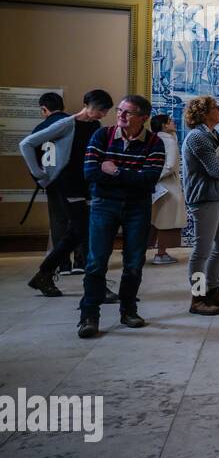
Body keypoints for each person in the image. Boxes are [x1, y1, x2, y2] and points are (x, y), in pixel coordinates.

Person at [78, 95, 165, 338]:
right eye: (120, 111)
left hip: (137, 207)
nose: (121, 115)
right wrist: (129, 175)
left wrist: (115, 170)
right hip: (104, 205)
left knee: (134, 262)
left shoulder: (154, 143)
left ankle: (128, 310)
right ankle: (89, 315)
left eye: (128, 112)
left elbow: (149, 179)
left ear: (143, 118)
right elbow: (91, 172)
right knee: (96, 261)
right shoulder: (102, 136)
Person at [18, 90, 115, 298]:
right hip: (68, 185)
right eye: (100, 109)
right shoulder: (66, 123)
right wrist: (40, 175)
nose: (103, 114)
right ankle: (97, 286)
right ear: (87, 105)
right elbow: (26, 144)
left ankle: (44, 274)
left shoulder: (96, 126)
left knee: (75, 234)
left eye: (105, 111)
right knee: (88, 234)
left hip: (86, 184)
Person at [182, 95, 219, 316]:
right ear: (204, 112)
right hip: (204, 197)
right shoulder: (198, 137)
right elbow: (218, 170)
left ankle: (212, 288)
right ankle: (197, 298)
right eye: (216, 107)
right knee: (201, 251)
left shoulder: (213, 135)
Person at [30, 92, 72, 272]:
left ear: (44, 109)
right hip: (74, 179)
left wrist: (39, 178)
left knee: (58, 222)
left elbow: (32, 154)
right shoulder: (74, 124)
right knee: (79, 221)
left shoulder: (40, 128)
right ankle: (81, 261)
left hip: (52, 181)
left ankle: (62, 263)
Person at [148, 113, 185, 264]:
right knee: (166, 222)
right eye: (170, 121)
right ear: (164, 125)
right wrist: (154, 177)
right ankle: (161, 254)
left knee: (153, 221)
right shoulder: (169, 140)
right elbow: (169, 166)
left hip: (156, 187)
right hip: (168, 187)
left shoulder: (153, 138)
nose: (174, 123)